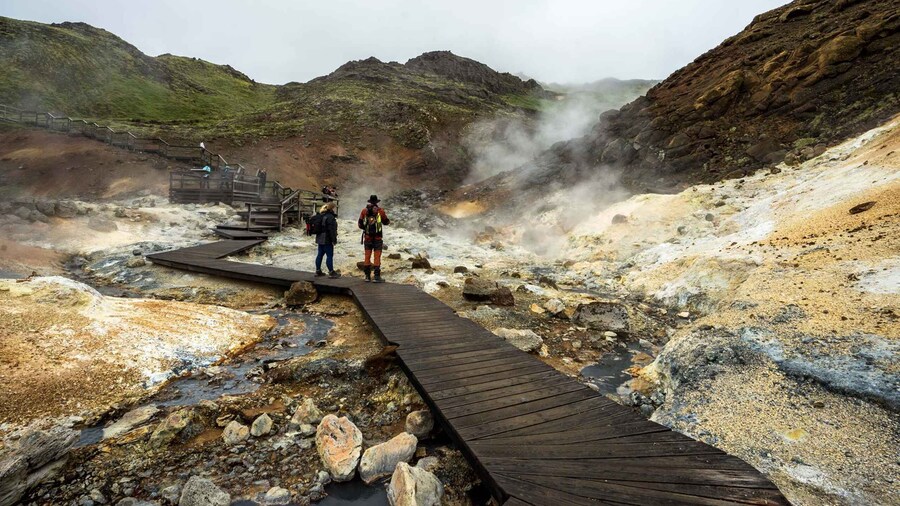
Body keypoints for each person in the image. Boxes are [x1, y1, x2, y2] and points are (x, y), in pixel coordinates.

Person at [358, 195, 390, 283]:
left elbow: (360, 224)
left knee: (367, 256)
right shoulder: (380, 211)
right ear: (377, 202)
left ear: (369, 202)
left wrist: (367, 228)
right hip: (377, 238)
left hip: (367, 237)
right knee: (377, 256)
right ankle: (376, 276)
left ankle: (367, 276)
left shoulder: (364, 211)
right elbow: (386, 222)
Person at [315, 201, 340, 278]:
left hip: (320, 238)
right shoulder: (330, 217)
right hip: (327, 239)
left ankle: (318, 271)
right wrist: (334, 240)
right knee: (329, 255)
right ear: (331, 209)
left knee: (319, 255)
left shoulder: (322, 215)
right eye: (334, 208)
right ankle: (331, 272)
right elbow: (331, 230)